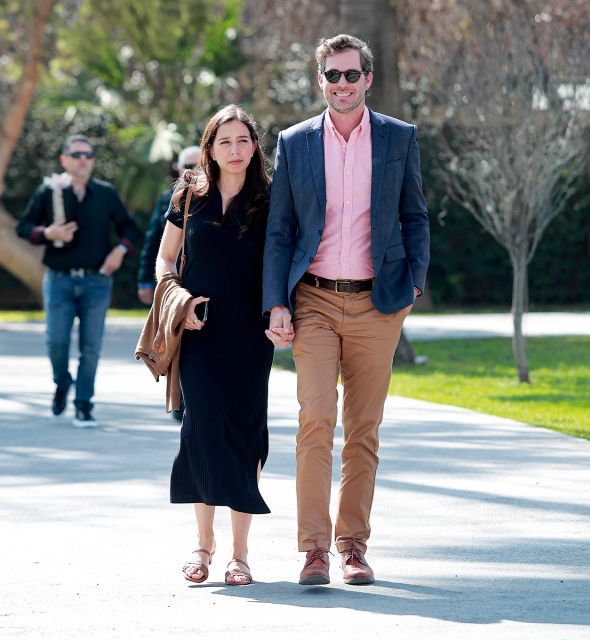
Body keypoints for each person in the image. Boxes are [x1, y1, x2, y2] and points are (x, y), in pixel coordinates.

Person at [262, 34, 430, 586]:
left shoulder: (399, 137)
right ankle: (313, 549)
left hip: (377, 304)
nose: (341, 84)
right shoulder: (295, 141)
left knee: (363, 429)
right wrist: (276, 302)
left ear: (367, 79)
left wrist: (413, 286)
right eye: (331, 75)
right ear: (320, 80)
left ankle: (352, 546)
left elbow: (415, 216)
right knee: (315, 420)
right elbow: (280, 229)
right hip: (312, 298)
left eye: (350, 74)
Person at [156, 105, 273, 585]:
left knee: (245, 435)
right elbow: (165, 258)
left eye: (243, 140)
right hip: (199, 334)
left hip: (251, 336)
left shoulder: (271, 198)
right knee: (201, 430)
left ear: (255, 146)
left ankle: (240, 555)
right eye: (224, 141)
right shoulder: (188, 196)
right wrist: (179, 301)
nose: (234, 149)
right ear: (210, 148)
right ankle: (203, 544)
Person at [17, 134, 139, 428]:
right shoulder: (49, 191)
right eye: (76, 155)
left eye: (88, 155)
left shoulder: (106, 193)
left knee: (91, 346)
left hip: (97, 281)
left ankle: (84, 403)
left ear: (93, 160)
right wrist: (47, 233)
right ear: (64, 160)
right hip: (59, 280)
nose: (83, 160)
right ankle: (63, 382)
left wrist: (119, 252)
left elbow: (129, 228)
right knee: (56, 342)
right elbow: (24, 227)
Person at [137, 145, 200, 422]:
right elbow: (154, 242)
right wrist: (146, 280)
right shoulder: (170, 198)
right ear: (178, 168)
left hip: (201, 277)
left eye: (198, 164)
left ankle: (190, 400)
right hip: (175, 279)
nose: (193, 170)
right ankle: (180, 400)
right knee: (176, 337)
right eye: (188, 165)